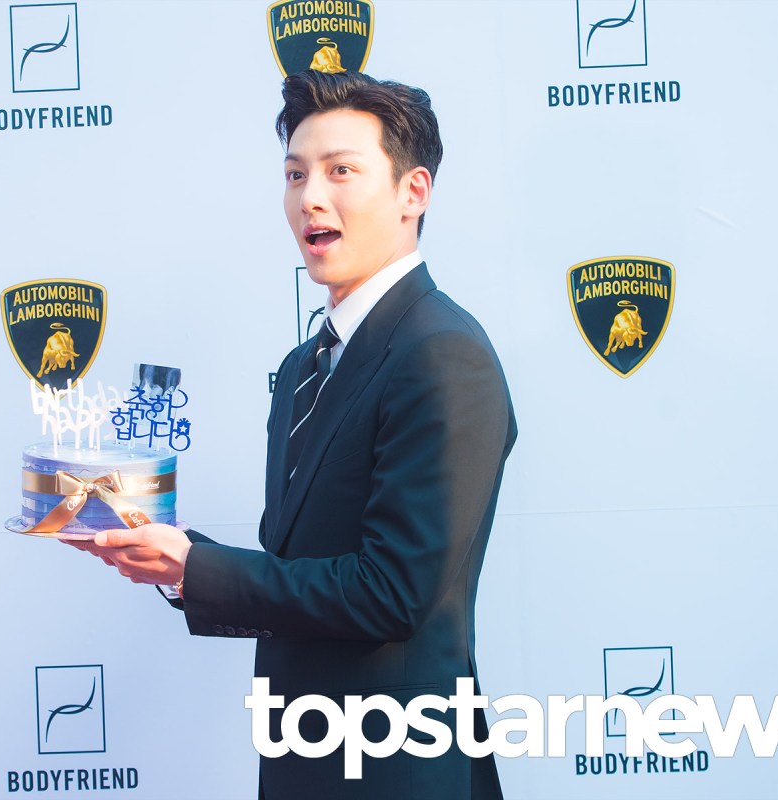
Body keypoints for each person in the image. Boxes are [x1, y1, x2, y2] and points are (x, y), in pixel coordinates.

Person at [76, 70, 516, 799]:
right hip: (302, 760)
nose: (310, 196)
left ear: (413, 192)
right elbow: (301, 567)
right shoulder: (303, 366)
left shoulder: (442, 353)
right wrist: (171, 555)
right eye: (295, 174)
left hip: (395, 771)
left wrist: (197, 569)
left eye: (341, 171)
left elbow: (390, 593)